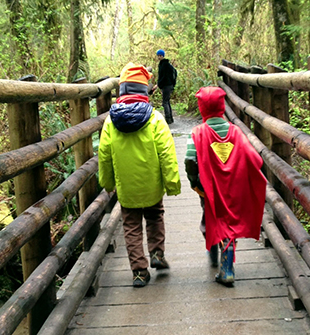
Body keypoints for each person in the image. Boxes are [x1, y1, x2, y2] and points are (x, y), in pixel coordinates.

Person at [99, 63, 181, 287]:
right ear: (145, 91)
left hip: (126, 187)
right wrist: (172, 182)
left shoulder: (110, 122)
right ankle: (156, 253)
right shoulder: (155, 119)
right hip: (152, 186)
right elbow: (167, 153)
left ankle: (139, 271)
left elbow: (104, 156)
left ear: (122, 91)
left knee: (131, 226)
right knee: (155, 216)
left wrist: (107, 183)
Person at [184, 86, 266, 286]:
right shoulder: (235, 132)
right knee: (228, 220)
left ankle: (224, 263)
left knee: (212, 216)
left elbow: (189, 160)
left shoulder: (197, 133)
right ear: (222, 107)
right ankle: (223, 256)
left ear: (202, 108)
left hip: (208, 188)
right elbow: (253, 158)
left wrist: (194, 181)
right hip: (234, 186)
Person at [153, 49, 177, 124]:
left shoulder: (163, 65)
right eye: (158, 56)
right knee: (167, 101)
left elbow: (163, 77)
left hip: (166, 85)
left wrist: (158, 84)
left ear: (163, 56)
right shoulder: (168, 65)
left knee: (165, 102)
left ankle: (168, 119)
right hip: (169, 85)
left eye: (160, 55)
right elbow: (174, 73)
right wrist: (173, 84)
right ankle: (170, 118)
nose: (159, 57)